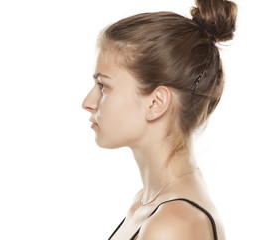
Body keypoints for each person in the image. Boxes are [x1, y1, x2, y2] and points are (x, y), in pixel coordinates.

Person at [82, 0, 237, 239]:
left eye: (103, 86)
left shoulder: (174, 224)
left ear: (155, 103)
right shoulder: (147, 205)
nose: (88, 102)